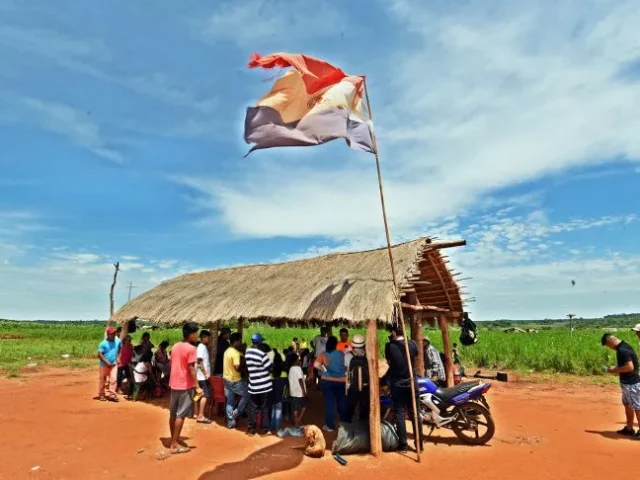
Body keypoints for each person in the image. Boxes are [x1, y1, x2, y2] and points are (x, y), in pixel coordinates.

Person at [384, 325, 424, 453]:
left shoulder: (389, 346)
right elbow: (416, 354)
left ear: (394, 333)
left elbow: (389, 362)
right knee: (415, 413)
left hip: (398, 384)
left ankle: (403, 446)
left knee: (400, 413)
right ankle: (420, 445)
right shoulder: (412, 344)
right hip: (412, 383)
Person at [168, 322, 202, 455]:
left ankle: (173, 439)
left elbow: (173, 363)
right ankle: (175, 444)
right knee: (181, 415)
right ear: (191, 334)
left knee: (173, 414)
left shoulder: (175, 346)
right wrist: (197, 386)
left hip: (174, 383)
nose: (197, 335)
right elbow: (191, 368)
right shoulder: (191, 349)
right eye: (196, 333)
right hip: (184, 385)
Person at [602, 333, 640, 438]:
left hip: (632, 384)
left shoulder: (622, 350)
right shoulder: (623, 347)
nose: (610, 348)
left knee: (637, 407)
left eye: (608, 346)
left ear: (610, 341)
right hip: (627, 383)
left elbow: (629, 367)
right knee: (628, 405)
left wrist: (614, 370)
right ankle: (629, 428)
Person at [315, 336, 347, 432]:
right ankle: (344, 424)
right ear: (336, 344)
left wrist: (325, 370)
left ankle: (330, 426)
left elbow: (316, 365)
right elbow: (345, 367)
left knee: (330, 403)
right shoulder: (341, 354)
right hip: (341, 381)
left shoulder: (323, 354)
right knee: (342, 403)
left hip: (327, 381)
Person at [245, 333, 273, 435]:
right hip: (264, 386)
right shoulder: (262, 354)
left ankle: (251, 429)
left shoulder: (247, 352)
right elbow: (270, 369)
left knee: (252, 408)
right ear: (260, 342)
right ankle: (265, 428)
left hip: (253, 385)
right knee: (264, 408)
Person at [223, 332, 250, 429]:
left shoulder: (227, 351)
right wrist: (243, 364)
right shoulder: (235, 353)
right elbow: (237, 367)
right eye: (240, 341)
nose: (241, 343)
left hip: (227, 379)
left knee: (230, 402)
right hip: (235, 380)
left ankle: (231, 422)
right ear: (236, 341)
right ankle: (237, 412)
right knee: (247, 394)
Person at [345, 334, 369, 422]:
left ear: (352, 345)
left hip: (352, 386)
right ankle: (363, 429)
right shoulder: (368, 356)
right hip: (365, 386)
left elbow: (345, 370)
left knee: (349, 408)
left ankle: (347, 427)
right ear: (363, 345)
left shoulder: (347, 355)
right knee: (364, 408)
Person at [97, 327, 122, 402]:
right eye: (112, 334)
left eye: (114, 333)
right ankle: (101, 394)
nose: (114, 335)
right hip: (104, 365)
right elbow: (99, 354)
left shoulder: (118, 341)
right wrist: (107, 362)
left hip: (114, 364)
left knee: (113, 380)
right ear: (108, 334)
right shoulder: (103, 343)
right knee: (103, 380)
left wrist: (118, 357)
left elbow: (120, 348)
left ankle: (112, 395)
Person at [195, 330, 213, 424]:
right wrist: (206, 372)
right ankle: (200, 415)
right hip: (202, 376)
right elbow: (199, 361)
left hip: (200, 376)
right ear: (204, 338)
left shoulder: (202, 347)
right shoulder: (201, 347)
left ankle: (195, 412)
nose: (209, 339)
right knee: (205, 395)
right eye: (208, 338)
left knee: (199, 394)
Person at [269, 351, 288, 432]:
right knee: (278, 411)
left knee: (272, 410)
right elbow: (285, 385)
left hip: (271, 395)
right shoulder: (284, 373)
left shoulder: (270, 373)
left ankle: (271, 427)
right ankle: (277, 429)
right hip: (280, 396)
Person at [288, 352, 308, 427]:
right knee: (304, 406)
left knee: (295, 407)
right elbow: (300, 379)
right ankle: (298, 420)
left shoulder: (291, 368)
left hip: (293, 391)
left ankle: (297, 420)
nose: (299, 360)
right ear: (295, 360)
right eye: (298, 359)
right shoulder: (297, 368)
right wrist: (303, 390)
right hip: (299, 391)